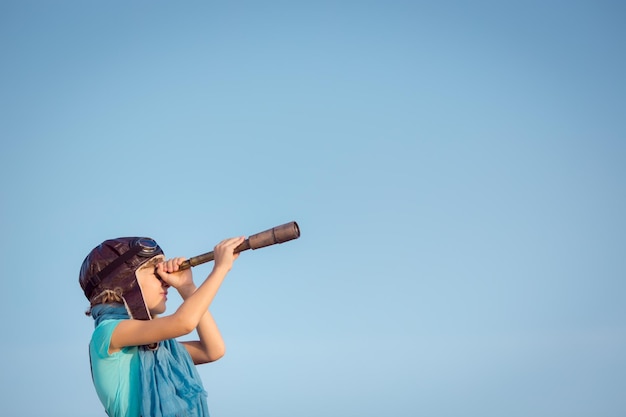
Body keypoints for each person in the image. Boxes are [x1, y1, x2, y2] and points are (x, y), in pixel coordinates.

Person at [79, 235, 245, 417]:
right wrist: (221, 268)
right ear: (125, 280)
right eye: (156, 274)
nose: (166, 281)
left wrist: (186, 287)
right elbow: (183, 323)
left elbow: (212, 350)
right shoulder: (108, 333)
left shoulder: (160, 349)